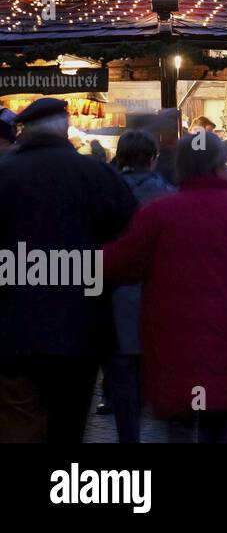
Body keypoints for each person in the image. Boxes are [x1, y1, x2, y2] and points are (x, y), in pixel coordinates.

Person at [104, 132, 227, 443]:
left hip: (172, 346)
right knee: (220, 430)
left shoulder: (160, 214)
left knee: (179, 429)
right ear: (222, 165)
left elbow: (117, 264)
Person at [0, 98, 137, 442]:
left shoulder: (5, 173)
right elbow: (131, 240)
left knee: (18, 418)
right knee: (69, 419)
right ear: (65, 128)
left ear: (24, 131)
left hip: (12, 324)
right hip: (80, 326)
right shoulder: (95, 173)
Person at [100, 130, 175, 442]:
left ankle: (128, 435)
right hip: (162, 296)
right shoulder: (169, 195)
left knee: (121, 371)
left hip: (114, 294)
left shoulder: (104, 190)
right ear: (153, 158)